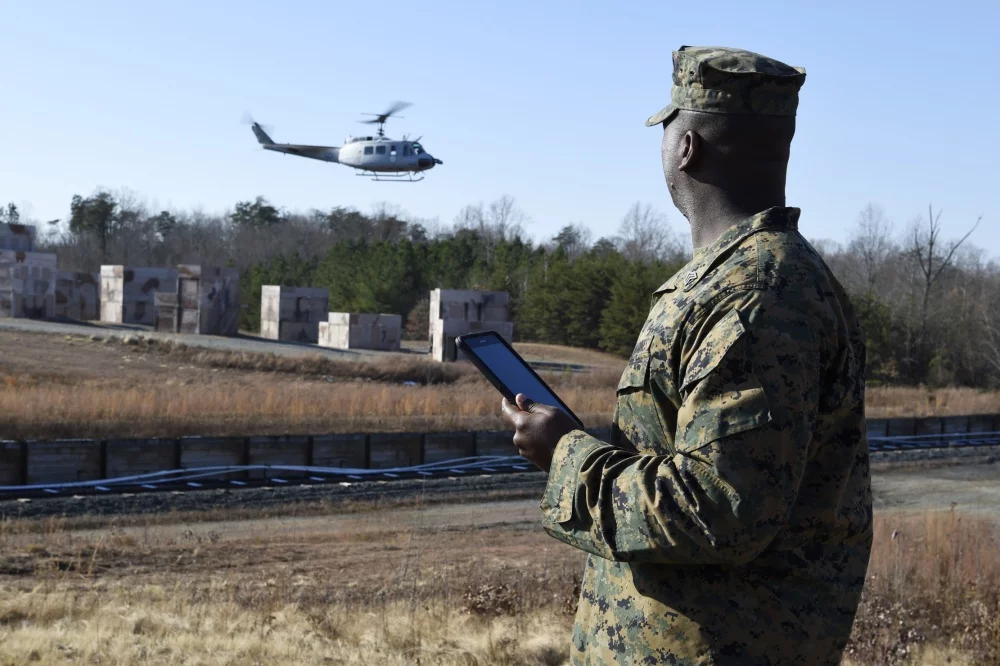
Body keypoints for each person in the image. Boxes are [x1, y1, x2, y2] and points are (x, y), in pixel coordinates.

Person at [501, 45, 873, 665]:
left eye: (667, 128)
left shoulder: (753, 299)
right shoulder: (743, 282)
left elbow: (720, 508)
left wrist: (567, 454)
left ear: (686, 147)